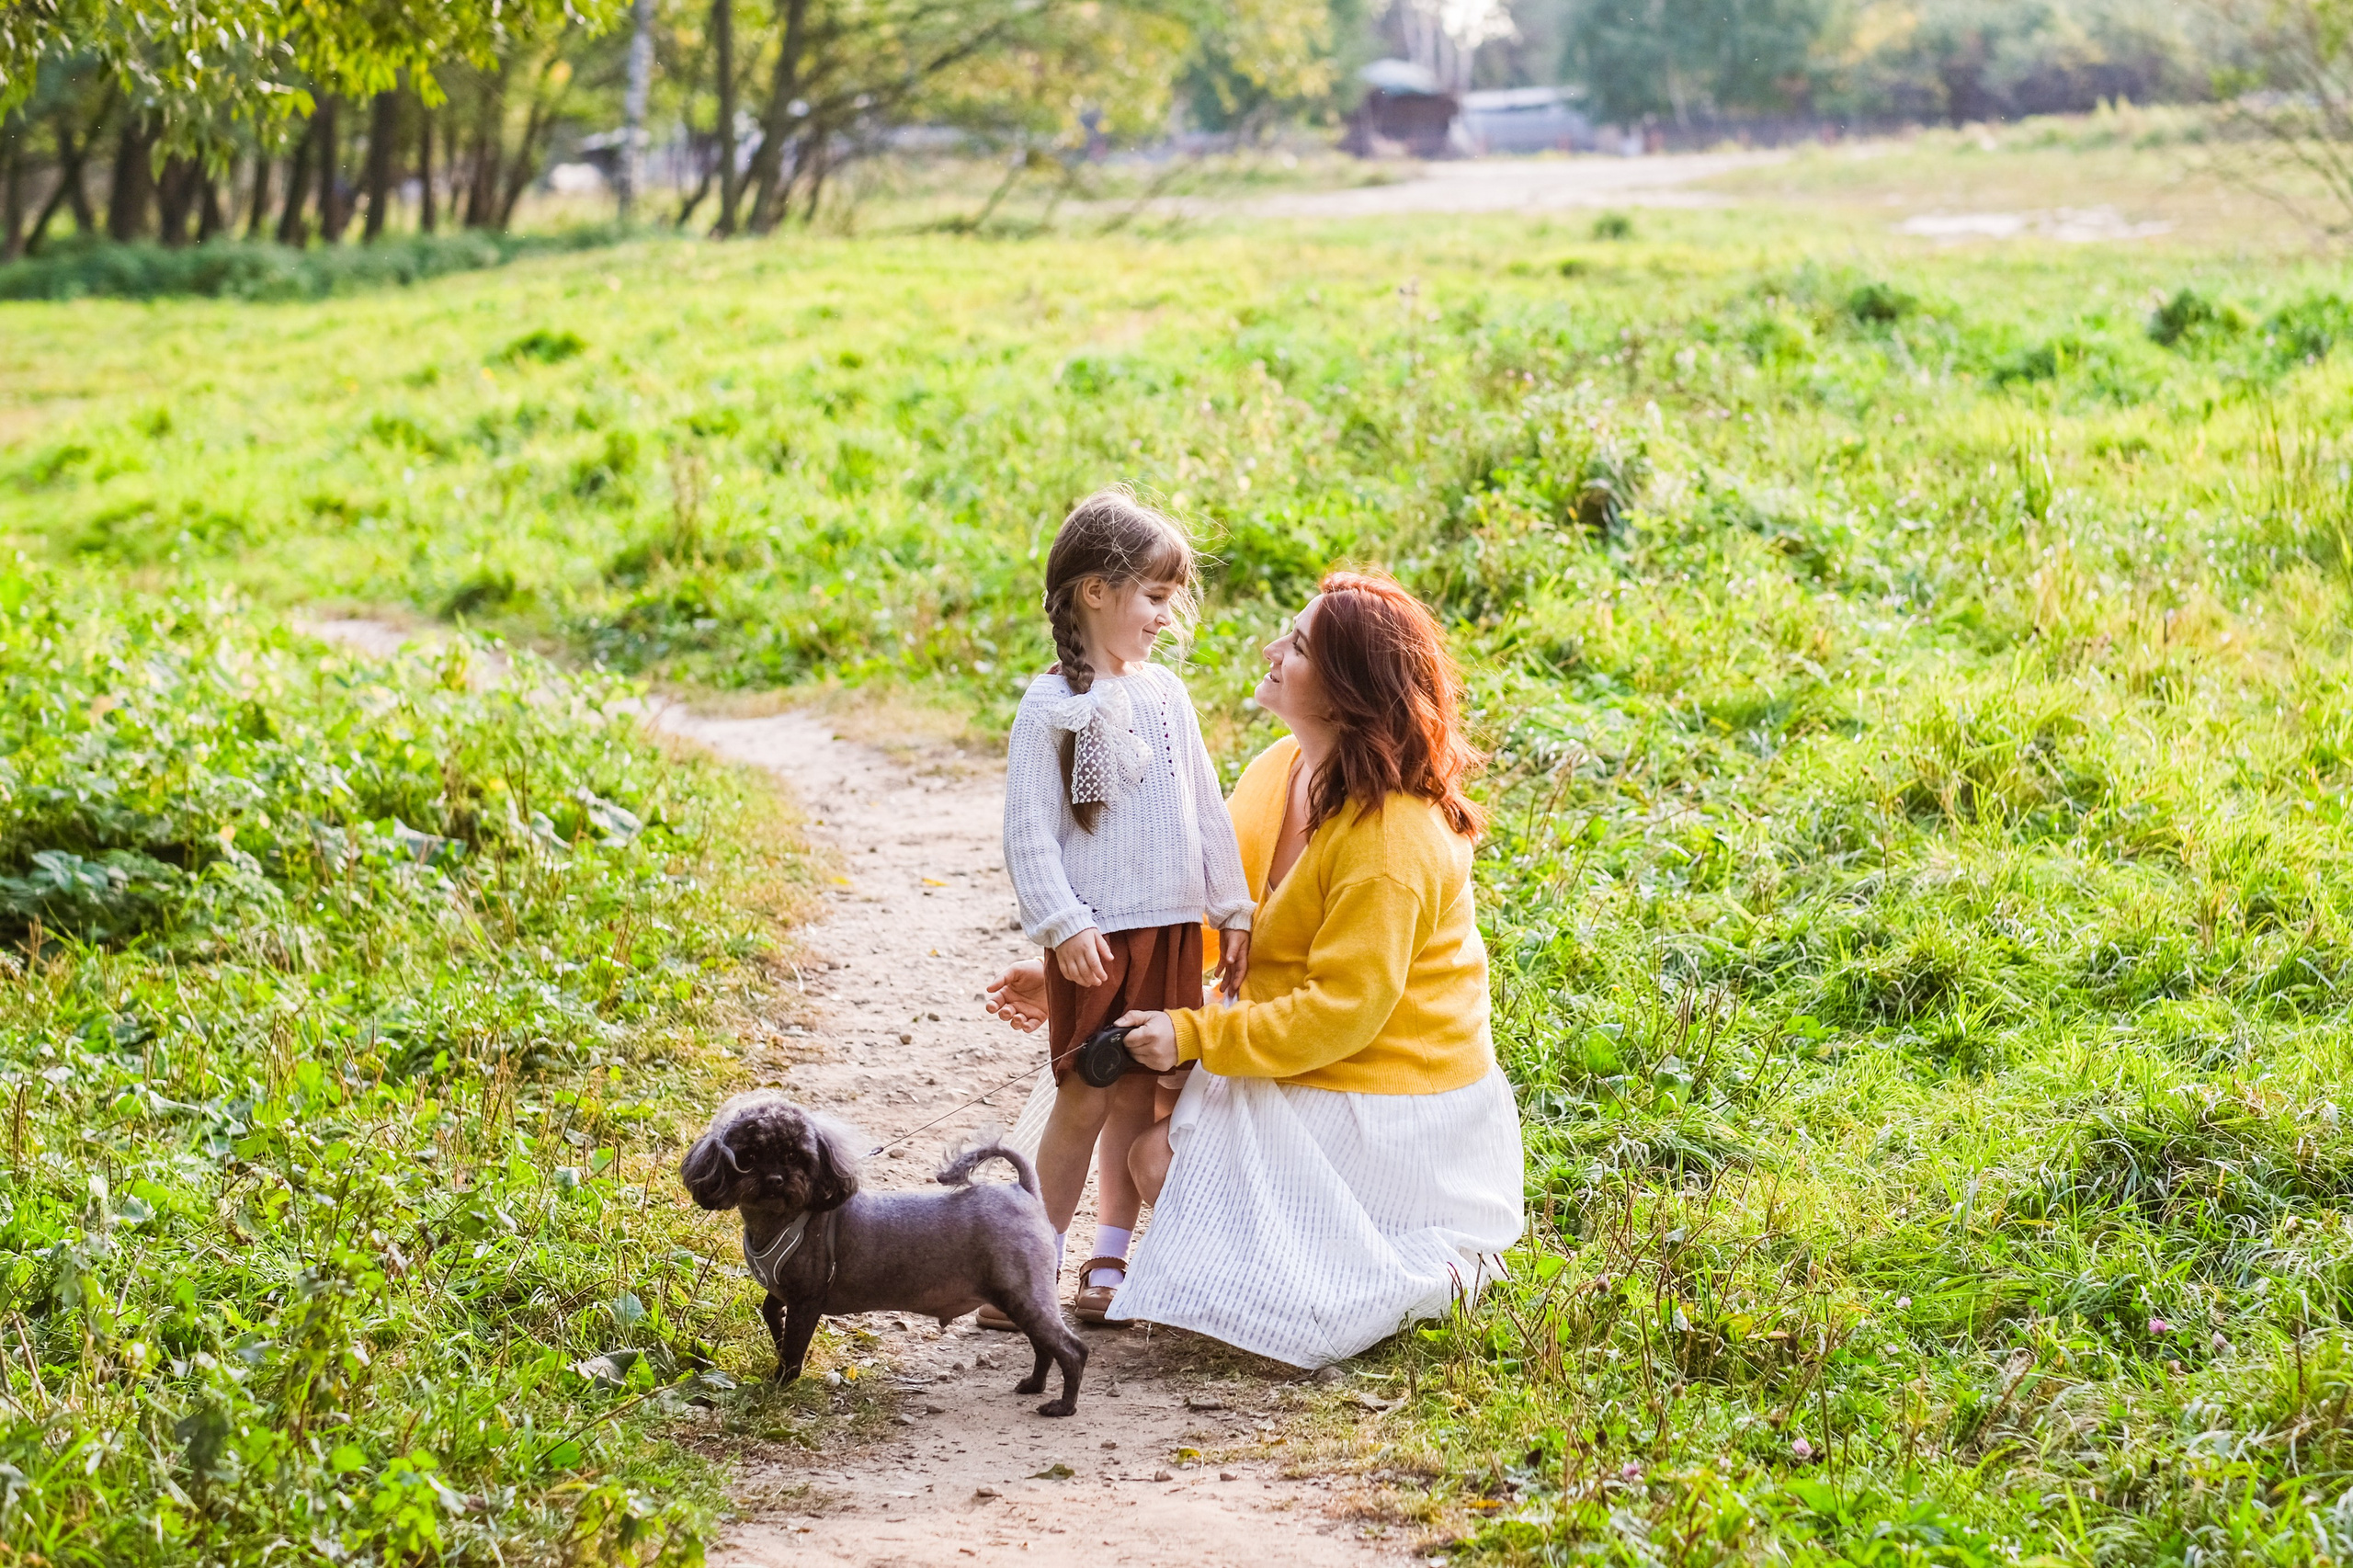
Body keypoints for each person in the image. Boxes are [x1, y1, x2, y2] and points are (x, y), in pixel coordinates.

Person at [988, 570, 1525, 1368]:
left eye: (1299, 644)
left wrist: (1196, 1033)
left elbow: (1342, 1012)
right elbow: (1212, 919)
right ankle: (1074, 1251)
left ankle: (1360, 1245)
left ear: (1345, 694)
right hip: (1317, 1063)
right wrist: (1090, 974)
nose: (1273, 649)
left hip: (1388, 1101)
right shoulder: (1284, 769)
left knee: (1155, 1155)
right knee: (1126, 1068)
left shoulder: (1394, 839)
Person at [990, 488, 1255, 1327]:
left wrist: (1233, 908)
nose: (1164, 618)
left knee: (1143, 1094)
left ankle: (1111, 1260)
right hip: (1096, 937)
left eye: (1170, 599)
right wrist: (1062, 925)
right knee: (1084, 1095)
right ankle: (1033, 1263)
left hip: (1174, 926)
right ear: (1095, 593)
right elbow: (1029, 834)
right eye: (1153, 597)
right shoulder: (1050, 708)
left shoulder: (1168, 698)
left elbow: (1206, 808)